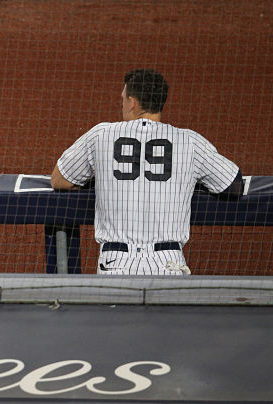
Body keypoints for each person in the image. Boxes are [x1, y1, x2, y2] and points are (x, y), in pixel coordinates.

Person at [51, 69, 243, 275]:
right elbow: (233, 186)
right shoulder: (189, 141)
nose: (122, 104)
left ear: (132, 102)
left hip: (115, 264)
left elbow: (60, 179)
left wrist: (99, 178)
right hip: (169, 263)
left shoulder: (101, 135)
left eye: (123, 99)